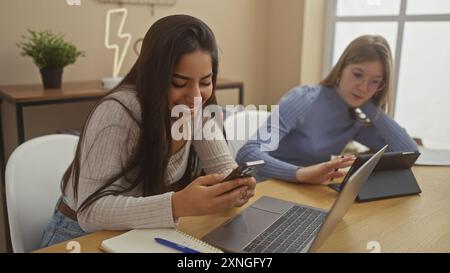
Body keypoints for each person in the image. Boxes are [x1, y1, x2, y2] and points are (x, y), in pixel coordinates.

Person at [40, 15, 256, 248]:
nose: (195, 97)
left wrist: (235, 190)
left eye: (205, 82)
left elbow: (223, 171)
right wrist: (176, 205)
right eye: (180, 83)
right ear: (155, 76)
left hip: (137, 234)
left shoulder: (197, 111)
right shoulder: (119, 111)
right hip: (76, 236)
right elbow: (90, 212)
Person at [236, 35, 418, 184]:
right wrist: (300, 173)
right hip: (268, 188)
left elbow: (408, 152)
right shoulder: (304, 99)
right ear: (341, 69)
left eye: (375, 81)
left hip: (305, 191)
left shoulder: (354, 117)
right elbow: (247, 154)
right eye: (357, 75)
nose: (363, 87)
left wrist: (370, 105)